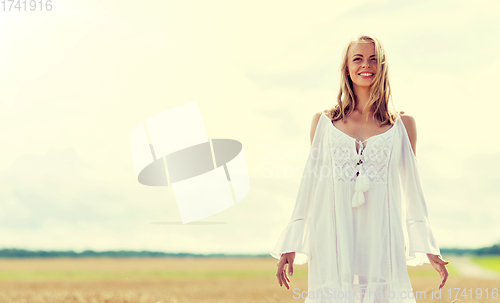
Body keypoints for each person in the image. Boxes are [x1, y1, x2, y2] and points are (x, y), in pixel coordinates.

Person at [271, 35, 449, 302]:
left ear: (383, 66)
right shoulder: (323, 123)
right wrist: (292, 244)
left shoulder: (402, 124)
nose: (366, 65)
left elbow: (412, 187)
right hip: (332, 232)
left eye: (373, 59)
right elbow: (311, 182)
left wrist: (428, 247)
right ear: (346, 67)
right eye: (358, 58)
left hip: (382, 233)